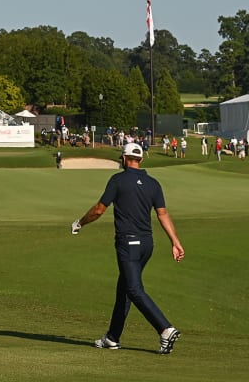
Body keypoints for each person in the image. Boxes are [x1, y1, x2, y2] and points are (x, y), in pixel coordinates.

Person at [71, 142, 185, 355]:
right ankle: (112, 337)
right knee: (124, 289)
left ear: (123, 158)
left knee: (133, 289)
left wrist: (79, 223)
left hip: (128, 244)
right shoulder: (153, 183)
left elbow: (98, 210)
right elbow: (163, 214)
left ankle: (165, 328)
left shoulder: (118, 180)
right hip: (147, 245)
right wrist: (175, 241)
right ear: (141, 159)